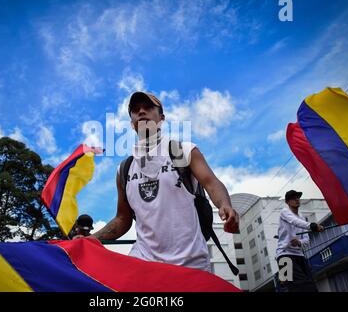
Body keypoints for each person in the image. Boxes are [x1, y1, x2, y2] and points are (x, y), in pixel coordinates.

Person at [80, 91, 239, 272]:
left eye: (148, 107)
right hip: (144, 266)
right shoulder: (124, 168)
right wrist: (90, 239)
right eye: (135, 109)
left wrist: (224, 204)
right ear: (132, 124)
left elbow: (211, 183)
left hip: (191, 265)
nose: (141, 111)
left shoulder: (183, 151)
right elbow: (123, 218)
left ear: (161, 117)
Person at [275, 190, 324, 292]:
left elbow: (306, 240)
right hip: (285, 255)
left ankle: (283, 276)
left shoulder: (302, 218)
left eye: (298, 197)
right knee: (301, 286)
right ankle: (283, 275)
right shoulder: (284, 212)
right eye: (293, 198)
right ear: (287, 202)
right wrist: (312, 226)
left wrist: (299, 242)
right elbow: (294, 221)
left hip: (299, 256)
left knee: (309, 285)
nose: (297, 199)